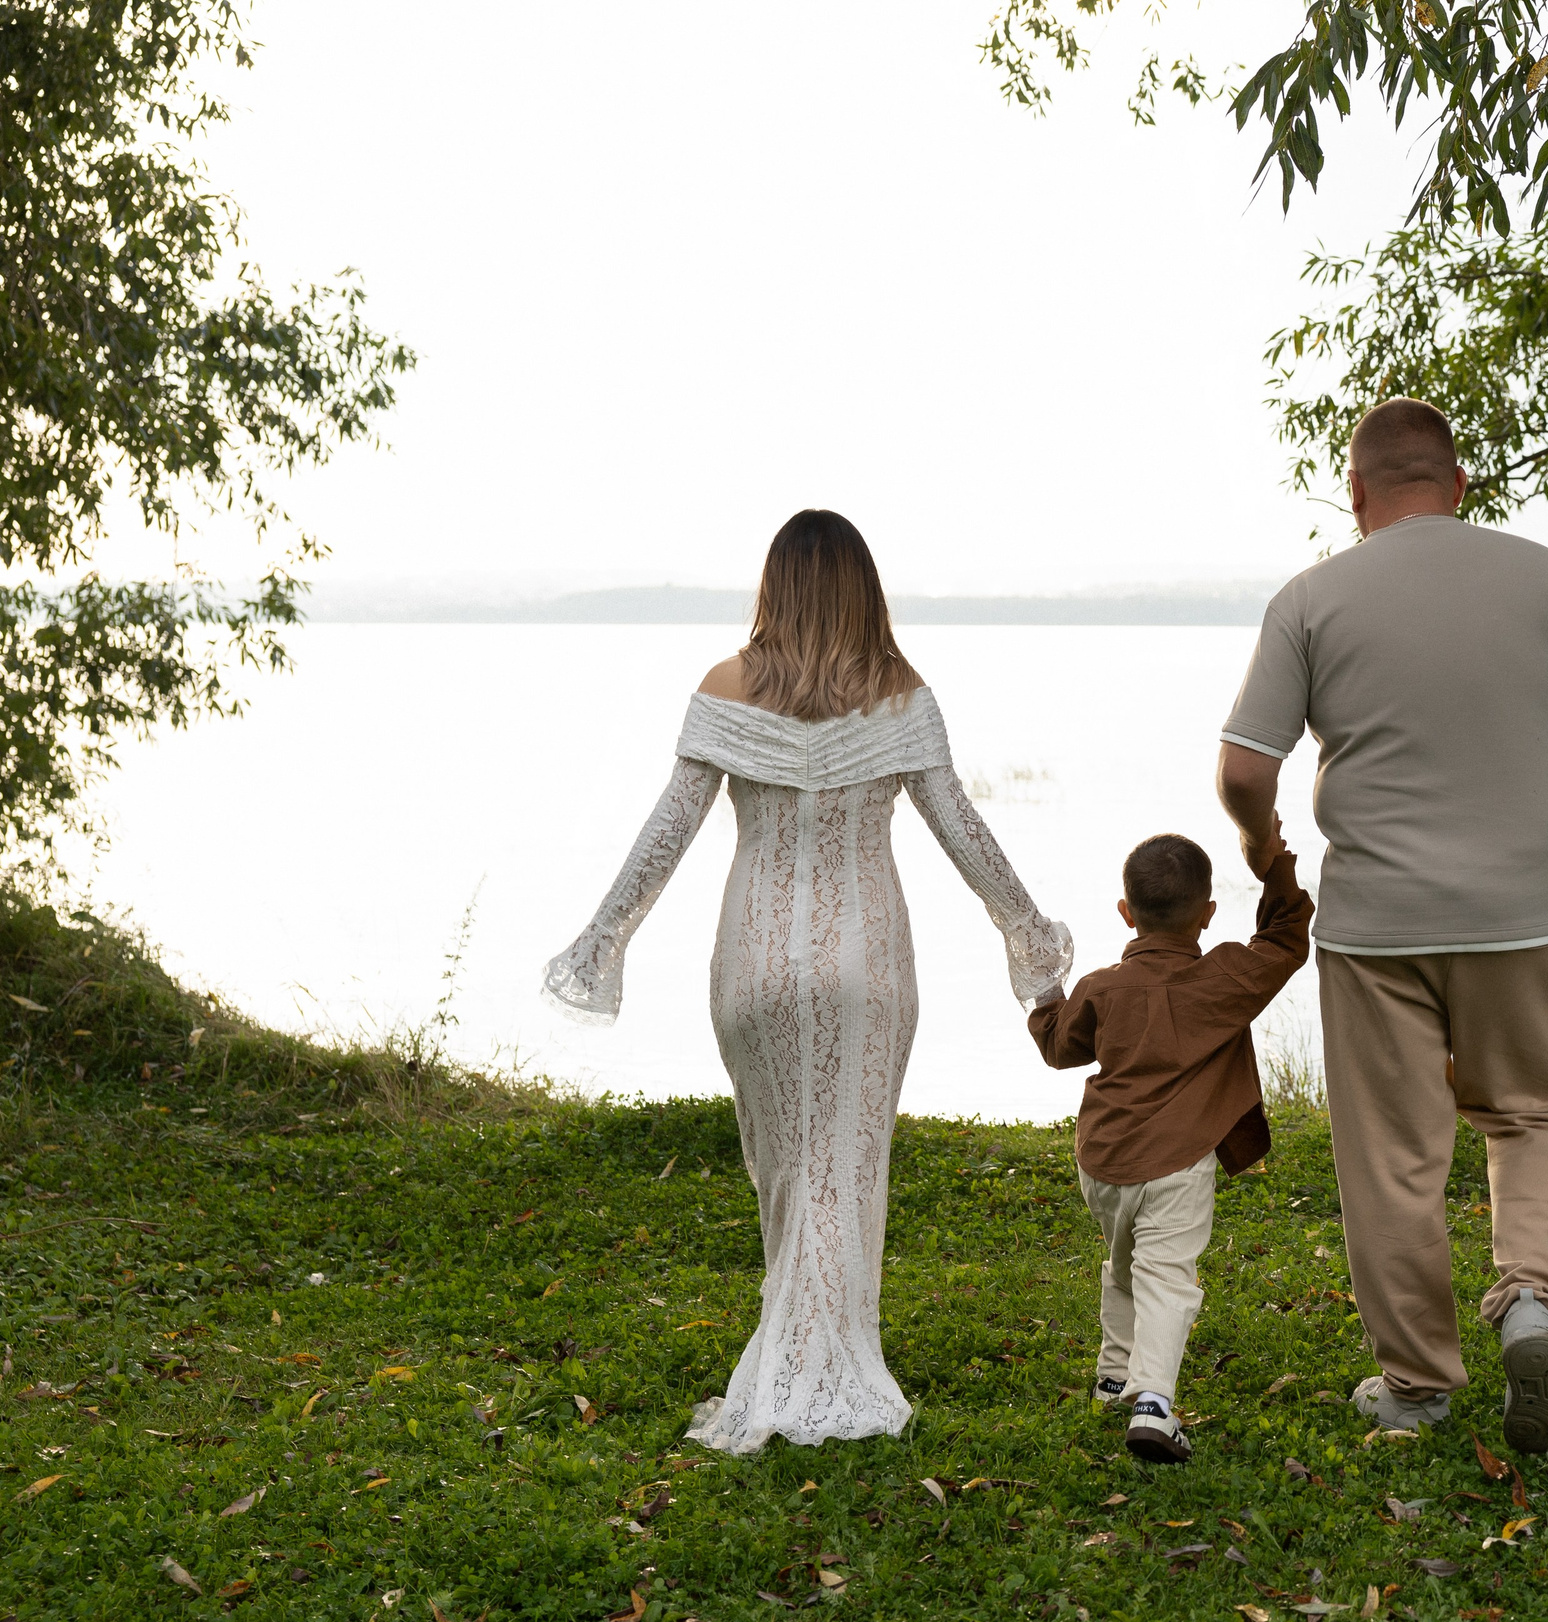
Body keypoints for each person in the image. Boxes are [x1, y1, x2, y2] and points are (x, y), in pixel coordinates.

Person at [543, 509, 1072, 1455]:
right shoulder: (903, 694)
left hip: (752, 961)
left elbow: (667, 833)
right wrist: (1028, 937)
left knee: (787, 1171)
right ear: (863, 590)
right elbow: (965, 835)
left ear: (773, 586)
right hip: (868, 962)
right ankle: (823, 1369)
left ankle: (793, 1362)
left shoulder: (723, 687)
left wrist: (602, 938)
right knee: (845, 1168)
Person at [1215, 398, 1548, 1457]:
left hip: (1377, 924)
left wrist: (1264, 851)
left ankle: (1414, 1385)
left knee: (1392, 1154)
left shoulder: (1311, 597)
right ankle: (1534, 1300)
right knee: (1541, 1110)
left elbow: (1242, 767)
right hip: (1529, 914)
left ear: (1354, 491)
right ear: (1460, 484)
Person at [1027, 831, 1312, 1463]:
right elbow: (1288, 937)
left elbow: (1058, 1047)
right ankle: (1154, 1404)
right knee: (1167, 1277)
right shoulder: (1229, 976)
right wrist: (1274, 863)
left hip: (1103, 1160)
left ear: (1125, 912)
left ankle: (1113, 1373)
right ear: (1208, 914)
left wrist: (1045, 990)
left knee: (1125, 1261)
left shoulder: (1102, 988)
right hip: (1178, 1161)